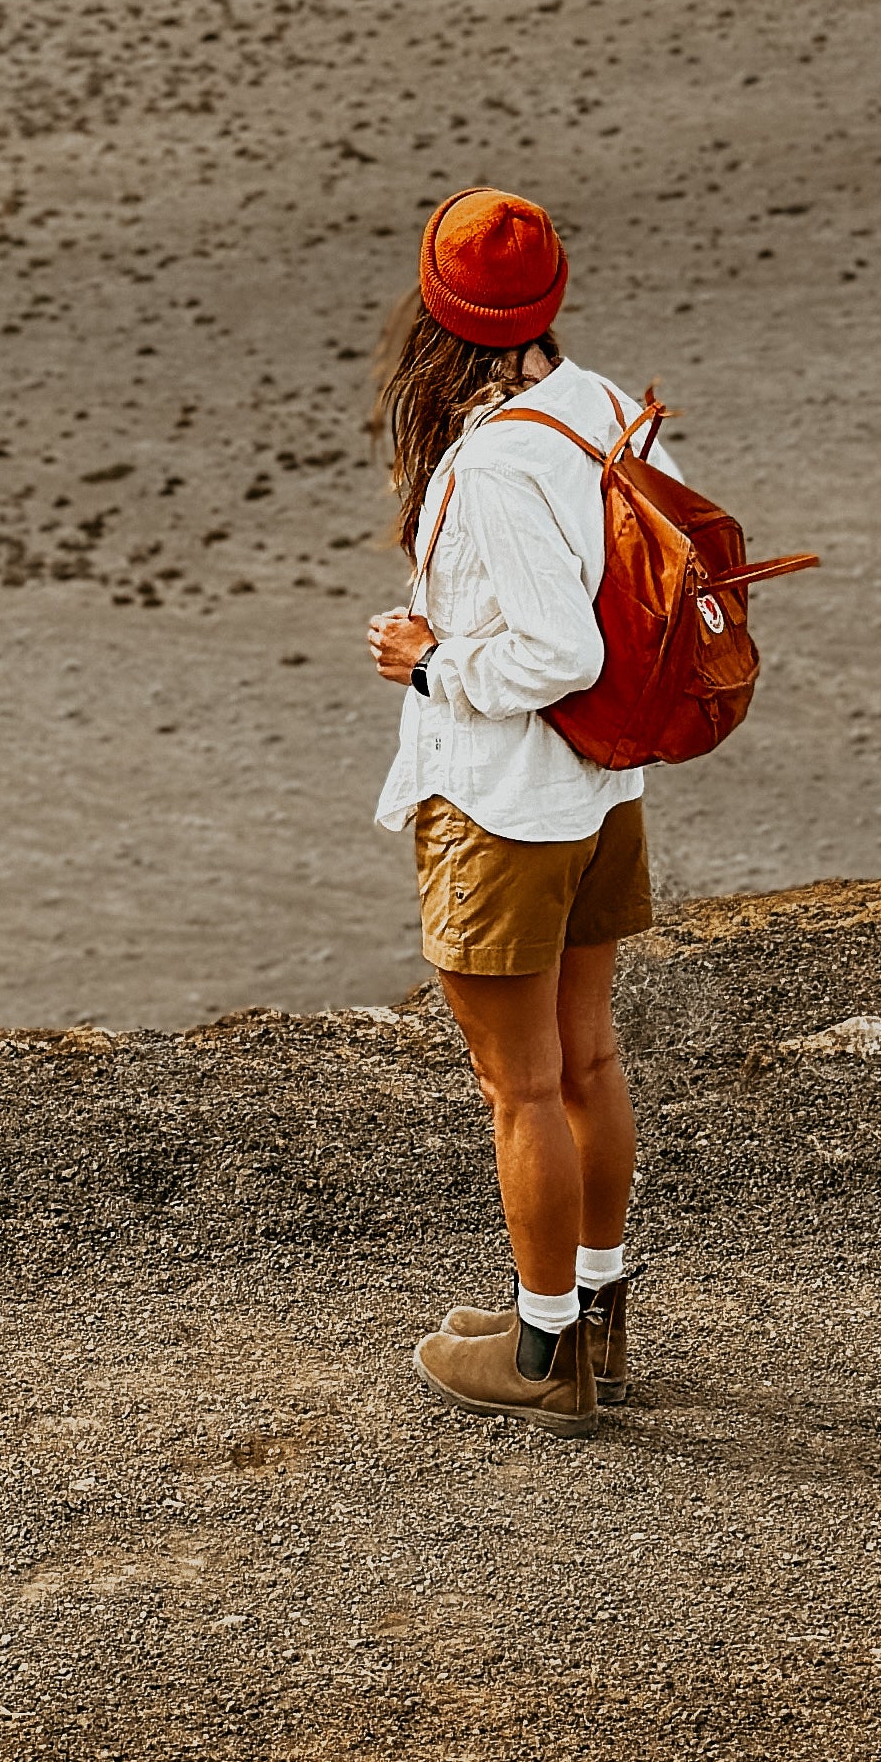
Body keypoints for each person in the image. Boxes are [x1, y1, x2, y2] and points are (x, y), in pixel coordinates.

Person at [366, 184, 674, 1434]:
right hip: (604, 790)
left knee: (523, 1089)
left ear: (441, 311)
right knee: (589, 1059)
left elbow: (557, 655)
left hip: (505, 803)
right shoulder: (605, 406)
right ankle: (588, 1312)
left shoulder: (492, 460)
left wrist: (431, 661)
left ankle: (542, 1363)